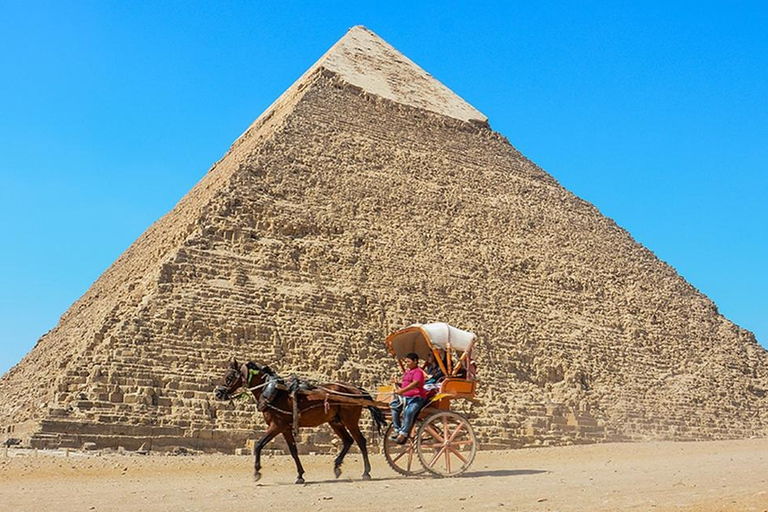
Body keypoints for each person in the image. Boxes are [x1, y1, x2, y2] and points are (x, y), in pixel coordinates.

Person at [389, 352, 427, 444]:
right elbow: (405, 384)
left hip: (417, 398)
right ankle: (397, 429)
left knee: (409, 412)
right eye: (406, 362)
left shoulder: (418, 371)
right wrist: (398, 383)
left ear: (415, 361)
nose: (407, 364)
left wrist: (402, 391)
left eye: (408, 362)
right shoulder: (407, 372)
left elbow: (415, 383)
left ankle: (403, 434)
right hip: (406, 397)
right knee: (394, 406)